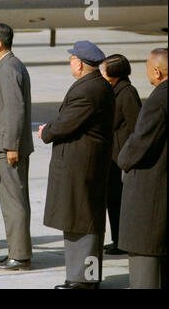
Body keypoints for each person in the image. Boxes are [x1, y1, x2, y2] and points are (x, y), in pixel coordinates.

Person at [38, 41, 114, 289]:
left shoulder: (88, 90)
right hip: (82, 163)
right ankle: (81, 277)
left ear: (79, 63)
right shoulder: (95, 85)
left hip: (81, 165)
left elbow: (65, 123)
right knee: (78, 218)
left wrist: (46, 131)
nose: (70, 62)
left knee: (83, 220)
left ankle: (84, 279)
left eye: (72, 58)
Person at [0, 23, 34, 271]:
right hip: (6, 145)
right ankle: (17, 252)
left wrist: (11, 145)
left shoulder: (8, 69)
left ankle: (20, 256)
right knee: (14, 200)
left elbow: (15, 109)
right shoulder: (9, 66)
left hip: (8, 148)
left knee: (14, 202)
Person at [117, 48, 167, 289]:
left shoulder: (158, 99)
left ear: (156, 72)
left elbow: (141, 140)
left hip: (151, 196)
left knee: (144, 273)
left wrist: (123, 160)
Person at [99, 54, 142, 255]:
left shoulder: (127, 93)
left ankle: (122, 241)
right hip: (112, 157)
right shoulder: (114, 90)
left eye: (104, 69)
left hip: (121, 157)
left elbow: (137, 128)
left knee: (119, 201)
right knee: (112, 201)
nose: (101, 72)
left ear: (114, 72)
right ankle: (117, 238)